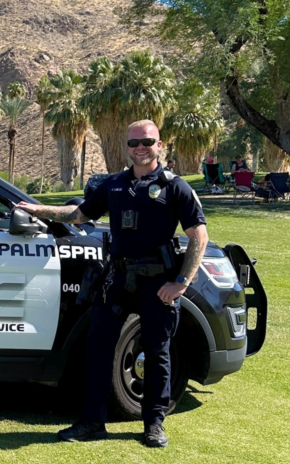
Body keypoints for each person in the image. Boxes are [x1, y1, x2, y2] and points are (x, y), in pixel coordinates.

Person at [15, 120, 208, 449]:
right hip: (117, 279)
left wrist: (181, 283)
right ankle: (92, 421)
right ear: (127, 146)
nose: (139, 147)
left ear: (160, 144)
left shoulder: (176, 187)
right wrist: (39, 209)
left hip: (157, 282)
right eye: (133, 142)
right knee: (99, 349)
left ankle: (153, 424)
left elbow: (199, 237)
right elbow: (80, 214)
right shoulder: (115, 184)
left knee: (157, 353)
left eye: (146, 141)